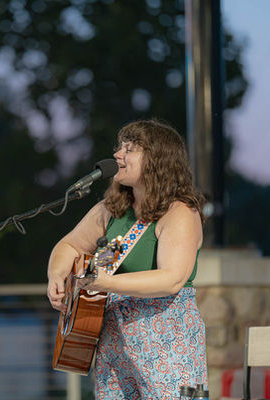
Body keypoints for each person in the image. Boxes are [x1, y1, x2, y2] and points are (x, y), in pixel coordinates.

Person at [47, 119, 207, 399]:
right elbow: (69, 245)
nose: (117, 155)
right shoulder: (112, 210)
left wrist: (103, 282)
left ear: (157, 159)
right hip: (115, 345)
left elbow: (172, 279)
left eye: (130, 149)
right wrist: (56, 276)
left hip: (168, 345)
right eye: (119, 147)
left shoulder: (181, 212)